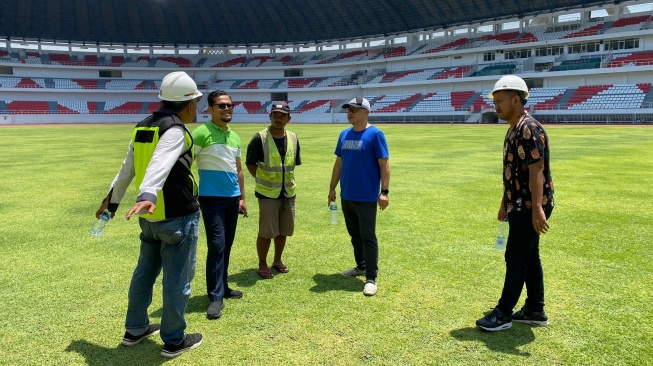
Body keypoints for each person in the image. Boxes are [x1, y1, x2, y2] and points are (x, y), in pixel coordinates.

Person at [94, 71, 204, 358]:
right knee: (177, 280)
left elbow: (126, 167)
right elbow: (161, 161)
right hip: (177, 217)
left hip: (151, 220)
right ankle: (174, 340)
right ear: (190, 103)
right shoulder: (175, 130)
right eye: (197, 101)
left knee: (144, 274)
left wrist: (112, 201)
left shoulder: (143, 126)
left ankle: (135, 329)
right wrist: (147, 194)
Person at [476, 75, 555, 331]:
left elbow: (537, 170)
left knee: (516, 256)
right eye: (495, 101)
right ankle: (535, 309)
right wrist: (504, 202)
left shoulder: (528, 128)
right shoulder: (513, 128)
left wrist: (537, 208)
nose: (495, 106)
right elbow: (512, 170)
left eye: (500, 101)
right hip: (519, 203)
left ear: (516, 100)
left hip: (530, 204)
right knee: (530, 256)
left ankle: (503, 313)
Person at [192, 90, 248, 320]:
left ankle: (223, 287)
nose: (227, 109)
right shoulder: (201, 133)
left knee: (227, 244)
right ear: (210, 109)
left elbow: (239, 170)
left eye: (230, 105)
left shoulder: (234, 136)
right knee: (217, 245)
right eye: (222, 106)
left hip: (232, 198)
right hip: (211, 199)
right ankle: (215, 297)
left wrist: (242, 198)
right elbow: (185, 163)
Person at [328, 97, 390, 297]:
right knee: (354, 235)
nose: (350, 112)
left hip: (366, 196)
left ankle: (371, 277)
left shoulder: (375, 134)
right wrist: (332, 189)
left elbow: (384, 164)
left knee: (368, 236)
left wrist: (384, 192)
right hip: (347, 195)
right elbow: (339, 164)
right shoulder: (344, 134)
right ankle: (361, 266)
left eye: (355, 109)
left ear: (366, 112)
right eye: (348, 109)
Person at [246, 101, 301, 280]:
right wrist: (265, 180)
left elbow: (292, 164)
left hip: (288, 192)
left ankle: (277, 260)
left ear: (288, 118)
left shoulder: (293, 137)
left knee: (283, 230)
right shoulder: (259, 138)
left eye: (282, 115)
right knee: (266, 231)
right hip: (267, 194)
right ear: (270, 117)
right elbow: (250, 164)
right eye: (275, 115)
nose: (279, 119)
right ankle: (262, 263)